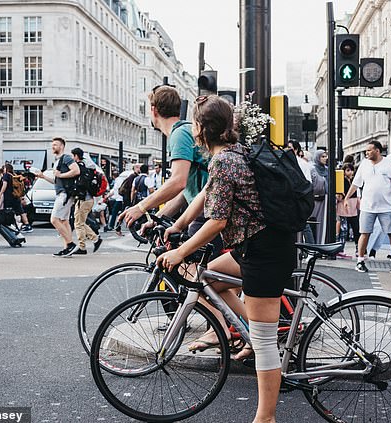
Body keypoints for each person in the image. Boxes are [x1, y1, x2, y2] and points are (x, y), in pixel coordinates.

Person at [156, 95, 295, 423]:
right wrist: (176, 225)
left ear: (202, 128)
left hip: (265, 253)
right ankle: (252, 326)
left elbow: (216, 221)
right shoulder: (233, 153)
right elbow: (206, 195)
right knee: (208, 278)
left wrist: (181, 250)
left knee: (263, 344)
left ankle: (265, 418)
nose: (191, 128)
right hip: (255, 247)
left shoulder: (224, 160)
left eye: (194, 122)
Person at [120, 86, 211, 245]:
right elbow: (185, 192)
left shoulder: (180, 135)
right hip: (203, 209)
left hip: (206, 212)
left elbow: (177, 182)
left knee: (185, 265)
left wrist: (141, 208)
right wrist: (159, 218)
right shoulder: (185, 130)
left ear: (154, 110)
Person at [343, 141, 391, 273]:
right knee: (364, 233)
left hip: (386, 206)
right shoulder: (364, 164)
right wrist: (347, 197)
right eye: (366, 151)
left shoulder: (389, 164)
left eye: (369, 150)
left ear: (377, 150)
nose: (366, 153)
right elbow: (356, 183)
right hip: (367, 206)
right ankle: (360, 261)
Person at [35, 137, 80, 256]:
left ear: (62, 146)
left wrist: (62, 174)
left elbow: (76, 171)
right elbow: (56, 180)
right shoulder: (57, 161)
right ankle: (67, 248)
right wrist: (43, 177)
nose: (53, 147)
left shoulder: (66, 158)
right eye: (52, 145)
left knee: (54, 219)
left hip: (65, 194)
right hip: (62, 193)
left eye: (55, 145)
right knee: (64, 221)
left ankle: (70, 244)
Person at [69, 147, 102, 255]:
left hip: (84, 199)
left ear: (76, 156)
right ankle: (95, 239)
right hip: (87, 199)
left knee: (78, 223)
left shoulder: (80, 167)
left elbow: (80, 185)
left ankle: (83, 247)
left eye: (73, 156)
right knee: (79, 222)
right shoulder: (88, 166)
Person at [0, 163, 33, 233]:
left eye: (4, 168)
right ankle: (27, 225)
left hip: (9, 197)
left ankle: (12, 226)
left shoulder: (6, 176)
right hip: (16, 196)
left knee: (8, 212)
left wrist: (0, 195)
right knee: (21, 211)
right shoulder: (14, 175)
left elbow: (4, 186)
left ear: (6, 169)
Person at [336, 163, 360, 251]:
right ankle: (340, 248)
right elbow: (339, 195)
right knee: (344, 229)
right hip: (344, 206)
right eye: (348, 170)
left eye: (351, 170)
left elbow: (356, 193)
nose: (350, 172)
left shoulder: (353, 180)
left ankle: (359, 248)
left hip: (353, 206)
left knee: (356, 228)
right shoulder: (341, 180)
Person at [310, 150, 328, 243]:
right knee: (312, 223)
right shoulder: (312, 169)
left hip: (325, 200)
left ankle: (321, 243)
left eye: (325, 156)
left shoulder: (327, 170)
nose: (325, 158)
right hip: (313, 200)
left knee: (322, 224)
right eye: (323, 156)